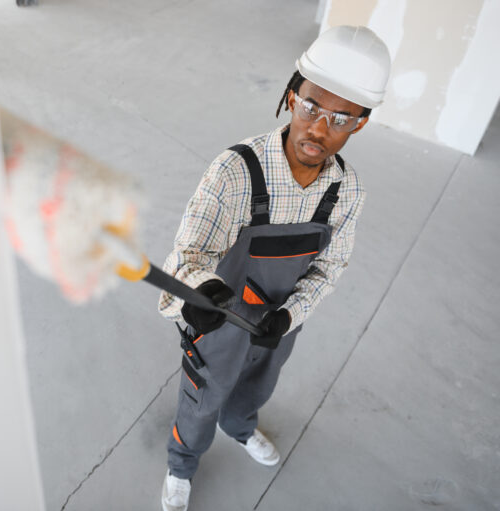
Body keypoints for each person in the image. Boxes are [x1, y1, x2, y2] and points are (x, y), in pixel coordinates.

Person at [158, 26, 391, 511]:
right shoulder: (237, 172)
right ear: (291, 96)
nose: (320, 130)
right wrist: (200, 293)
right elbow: (189, 254)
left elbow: (330, 267)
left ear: (361, 125)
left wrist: (290, 316)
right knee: (204, 395)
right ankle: (181, 464)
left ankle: (241, 428)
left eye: (341, 119)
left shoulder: (347, 193)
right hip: (222, 323)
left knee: (257, 386)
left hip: (278, 326)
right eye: (311, 107)